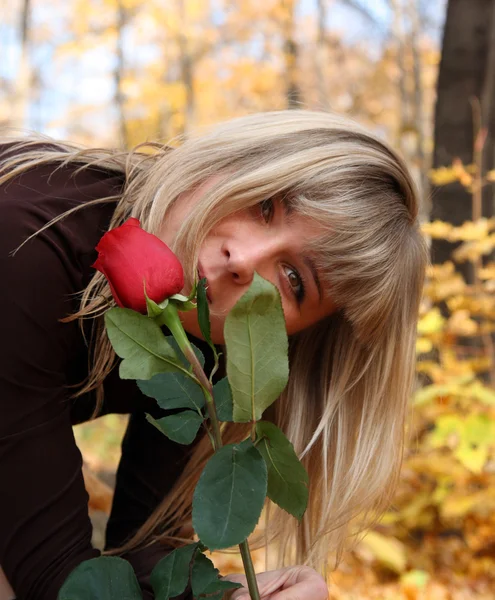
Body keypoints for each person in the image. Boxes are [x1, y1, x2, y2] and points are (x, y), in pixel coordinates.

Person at [0, 110, 429, 600]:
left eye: (292, 279)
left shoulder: (202, 349)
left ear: (299, 335)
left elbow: (145, 548)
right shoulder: (26, 239)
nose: (243, 260)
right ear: (230, 162)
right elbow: (56, 579)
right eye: (264, 206)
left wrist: (232, 594)